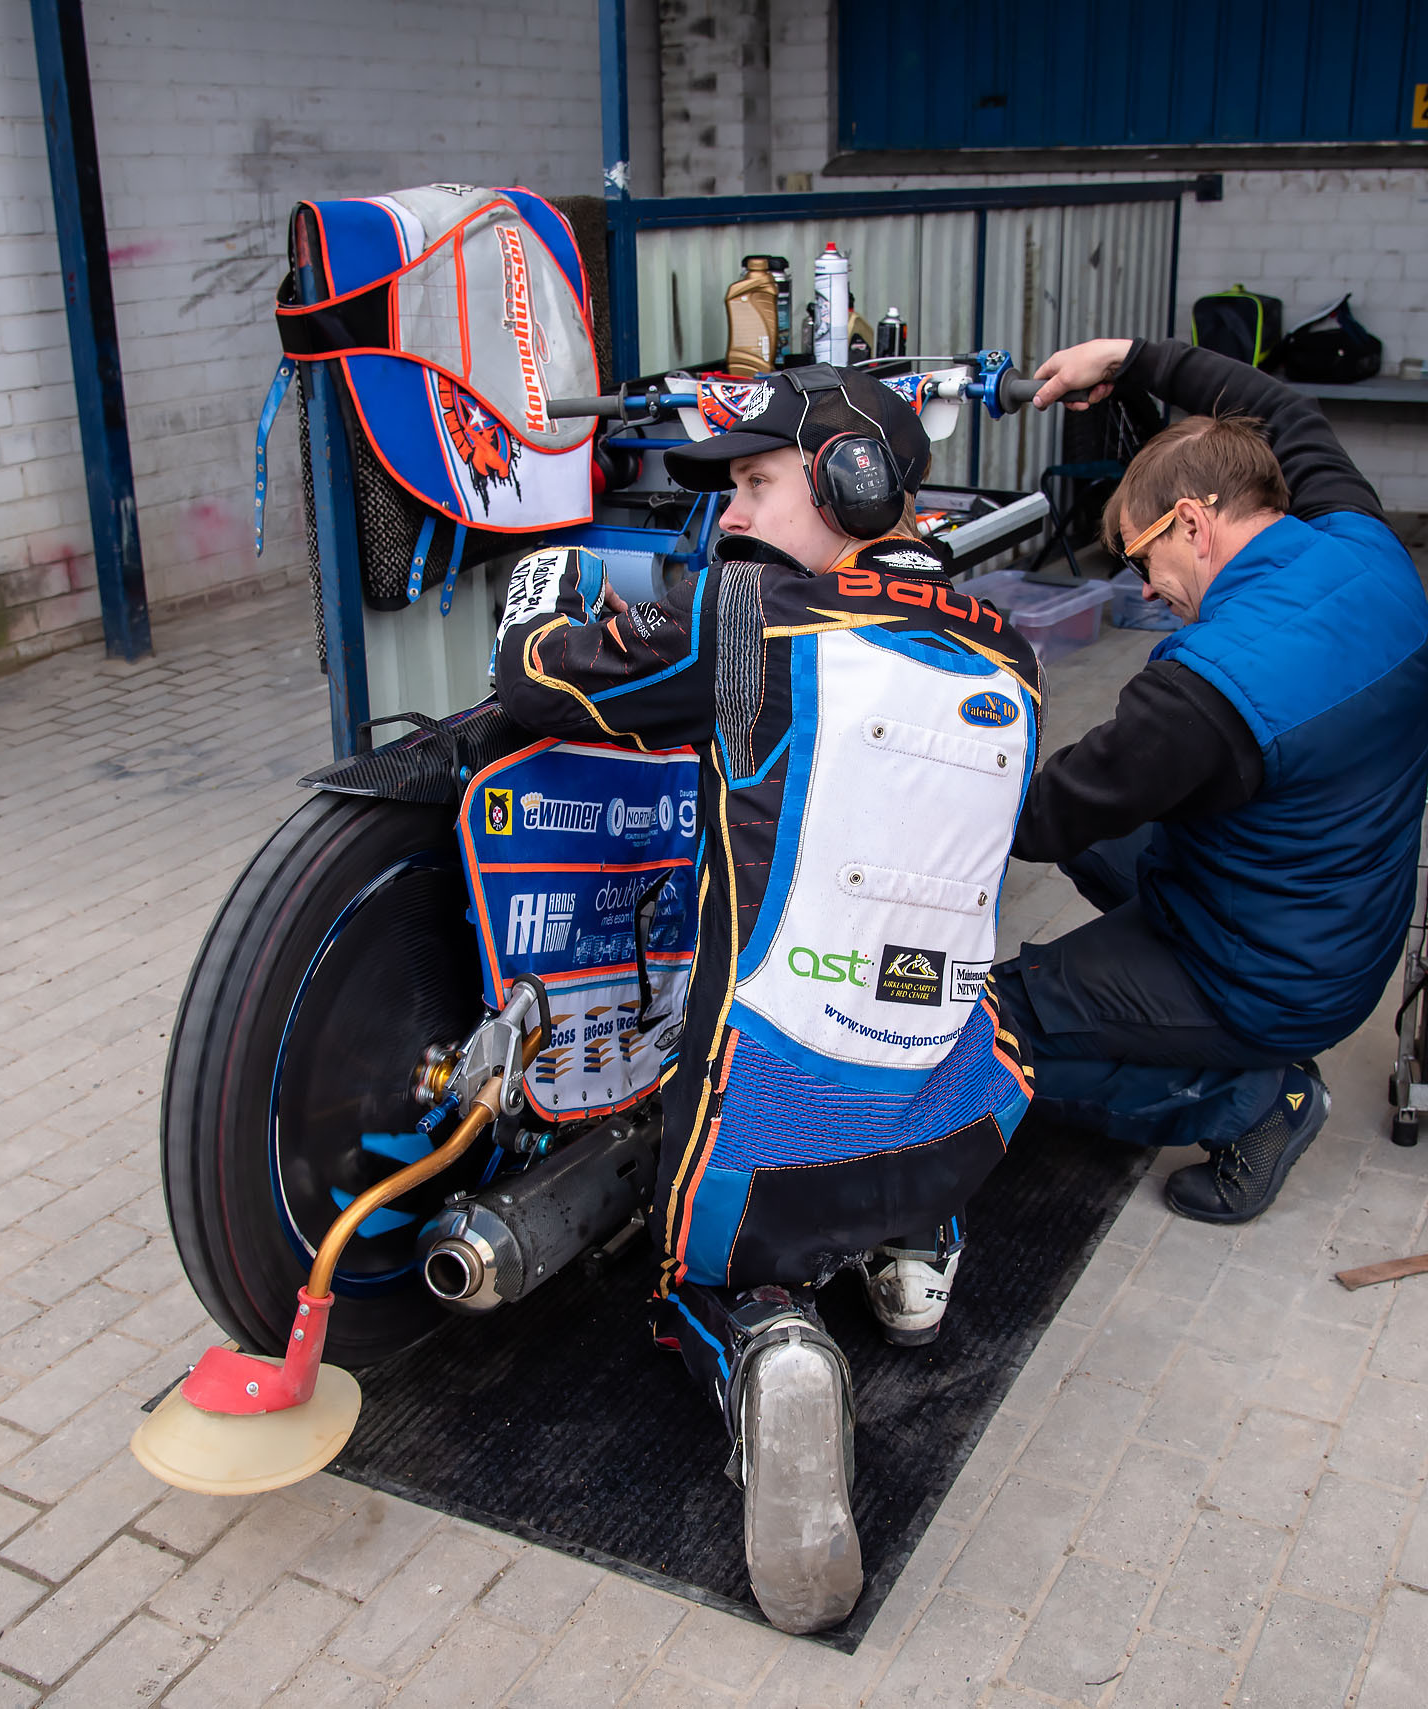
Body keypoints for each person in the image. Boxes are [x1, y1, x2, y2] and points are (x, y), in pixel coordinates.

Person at [492, 365, 1041, 1633]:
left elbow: (543, 681)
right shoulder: (1007, 647)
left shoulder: (749, 618)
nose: (729, 515)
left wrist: (536, 589)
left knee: (694, 1256)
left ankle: (771, 1346)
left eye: (752, 482)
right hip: (964, 1118)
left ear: (857, 479)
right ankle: (916, 1254)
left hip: (773, 1123)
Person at [994, 335, 1428, 1224]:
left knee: (988, 1025)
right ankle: (1197, 1030)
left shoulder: (1210, 688)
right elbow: (1281, 409)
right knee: (1109, 841)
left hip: (1267, 975)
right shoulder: (1363, 545)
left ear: (1194, 524)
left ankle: (1250, 1101)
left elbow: (1042, 817)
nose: (1148, 592)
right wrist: (1129, 357)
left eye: (1141, 560)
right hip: (1336, 927)